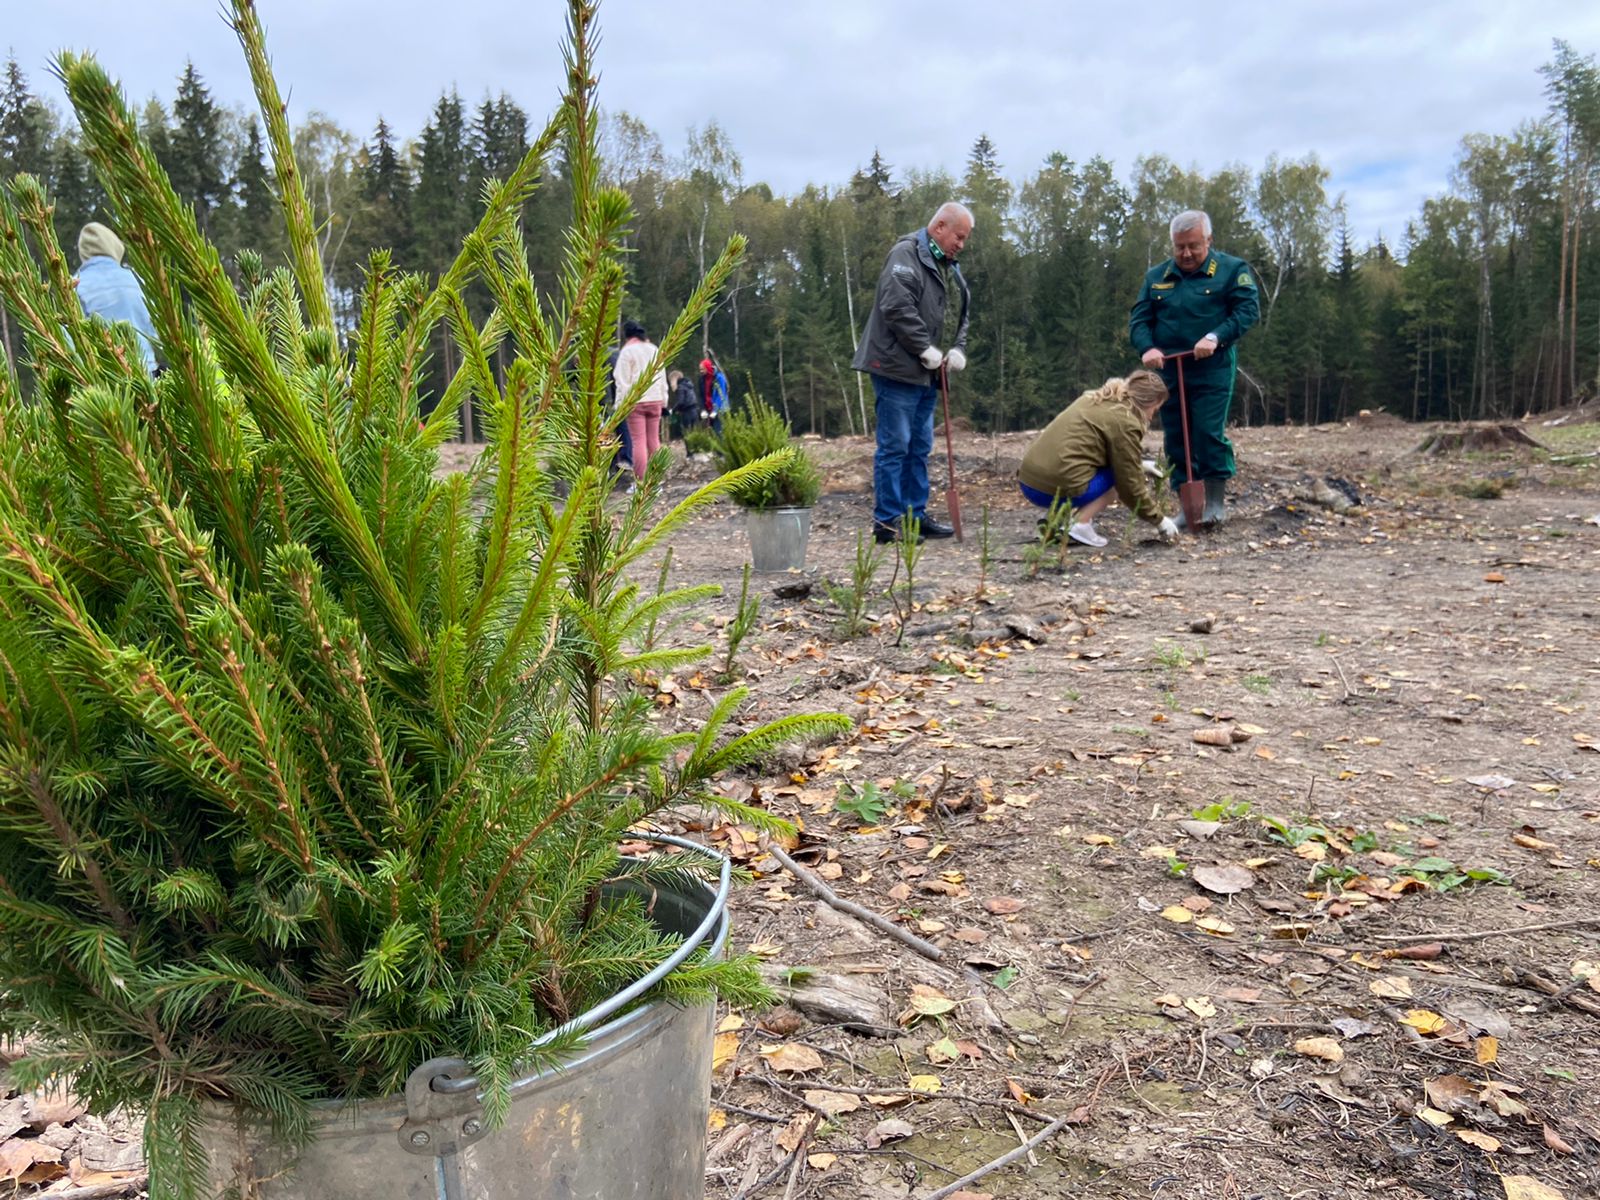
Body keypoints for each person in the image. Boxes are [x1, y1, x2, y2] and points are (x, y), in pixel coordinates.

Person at [1128, 210, 1259, 528]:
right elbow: (1140, 320)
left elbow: (1247, 310)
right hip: (1168, 370)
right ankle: (1188, 507)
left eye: (1193, 246)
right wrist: (1148, 348)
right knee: (1176, 438)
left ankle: (1214, 504)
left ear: (1208, 241)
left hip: (1211, 367)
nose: (1186, 254)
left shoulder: (1231, 270)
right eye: (1179, 246)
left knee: (1206, 432)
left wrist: (1216, 337)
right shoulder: (1157, 277)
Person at [852, 201, 973, 544]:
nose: (961, 244)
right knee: (895, 446)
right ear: (939, 228)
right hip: (895, 369)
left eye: (965, 239)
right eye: (959, 237)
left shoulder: (948, 267)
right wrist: (924, 348)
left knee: (919, 446)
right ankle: (888, 522)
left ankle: (915, 515)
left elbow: (960, 312)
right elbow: (896, 306)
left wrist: (957, 348)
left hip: (928, 374)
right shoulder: (906, 255)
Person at [1018, 371, 1180, 548]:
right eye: (1154, 410)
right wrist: (1159, 520)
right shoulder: (1126, 422)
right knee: (1117, 479)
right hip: (1053, 489)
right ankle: (1080, 524)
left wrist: (1139, 465)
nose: (1151, 417)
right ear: (1146, 403)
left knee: (1076, 466)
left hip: (1028, 482)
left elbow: (1083, 452)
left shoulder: (1093, 399)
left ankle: (1054, 521)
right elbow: (1129, 485)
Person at [74, 222, 157, 373]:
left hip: (103, 381)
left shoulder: (75, 285)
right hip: (147, 371)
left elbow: (72, 343)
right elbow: (155, 332)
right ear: (114, 248)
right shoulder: (136, 279)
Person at [613, 319, 668, 485]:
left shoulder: (627, 352)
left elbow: (621, 381)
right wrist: (664, 400)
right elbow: (662, 376)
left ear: (626, 335)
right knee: (654, 440)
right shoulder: (654, 349)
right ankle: (656, 481)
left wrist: (620, 405)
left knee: (638, 441)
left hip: (636, 400)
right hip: (655, 399)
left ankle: (641, 483)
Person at [698, 357, 729, 434]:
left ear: (708, 368)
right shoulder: (702, 380)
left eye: (703, 369)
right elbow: (702, 396)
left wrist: (715, 410)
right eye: (700, 369)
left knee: (719, 432)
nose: (701, 371)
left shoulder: (719, 378)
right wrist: (703, 409)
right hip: (709, 409)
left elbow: (721, 395)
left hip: (720, 409)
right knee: (711, 433)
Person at [667, 368, 698, 439]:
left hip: (687, 412)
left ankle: (689, 449)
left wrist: (673, 410)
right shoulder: (688, 385)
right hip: (694, 410)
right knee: (695, 432)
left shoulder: (680, 387)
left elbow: (681, 402)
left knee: (687, 433)